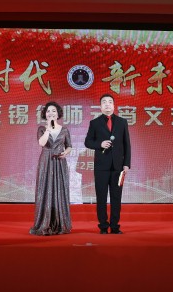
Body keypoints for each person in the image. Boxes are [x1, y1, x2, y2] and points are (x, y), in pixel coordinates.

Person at [84, 94, 131, 234]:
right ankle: (103, 226)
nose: (107, 104)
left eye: (110, 102)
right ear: (100, 106)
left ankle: (115, 226)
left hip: (118, 167)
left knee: (117, 197)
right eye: (104, 102)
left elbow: (127, 144)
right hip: (101, 167)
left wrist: (126, 164)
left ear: (114, 105)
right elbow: (87, 142)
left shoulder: (122, 122)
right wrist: (100, 144)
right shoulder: (95, 123)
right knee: (101, 197)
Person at [30, 101, 73, 235]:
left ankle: (60, 223)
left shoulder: (64, 130)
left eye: (53, 111)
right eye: (48, 111)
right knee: (45, 190)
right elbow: (41, 143)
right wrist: (48, 129)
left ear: (58, 114)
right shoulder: (42, 129)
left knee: (60, 190)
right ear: (45, 114)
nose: (51, 113)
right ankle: (44, 223)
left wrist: (66, 152)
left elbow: (69, 146)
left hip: (59, 162)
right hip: (46, 162)